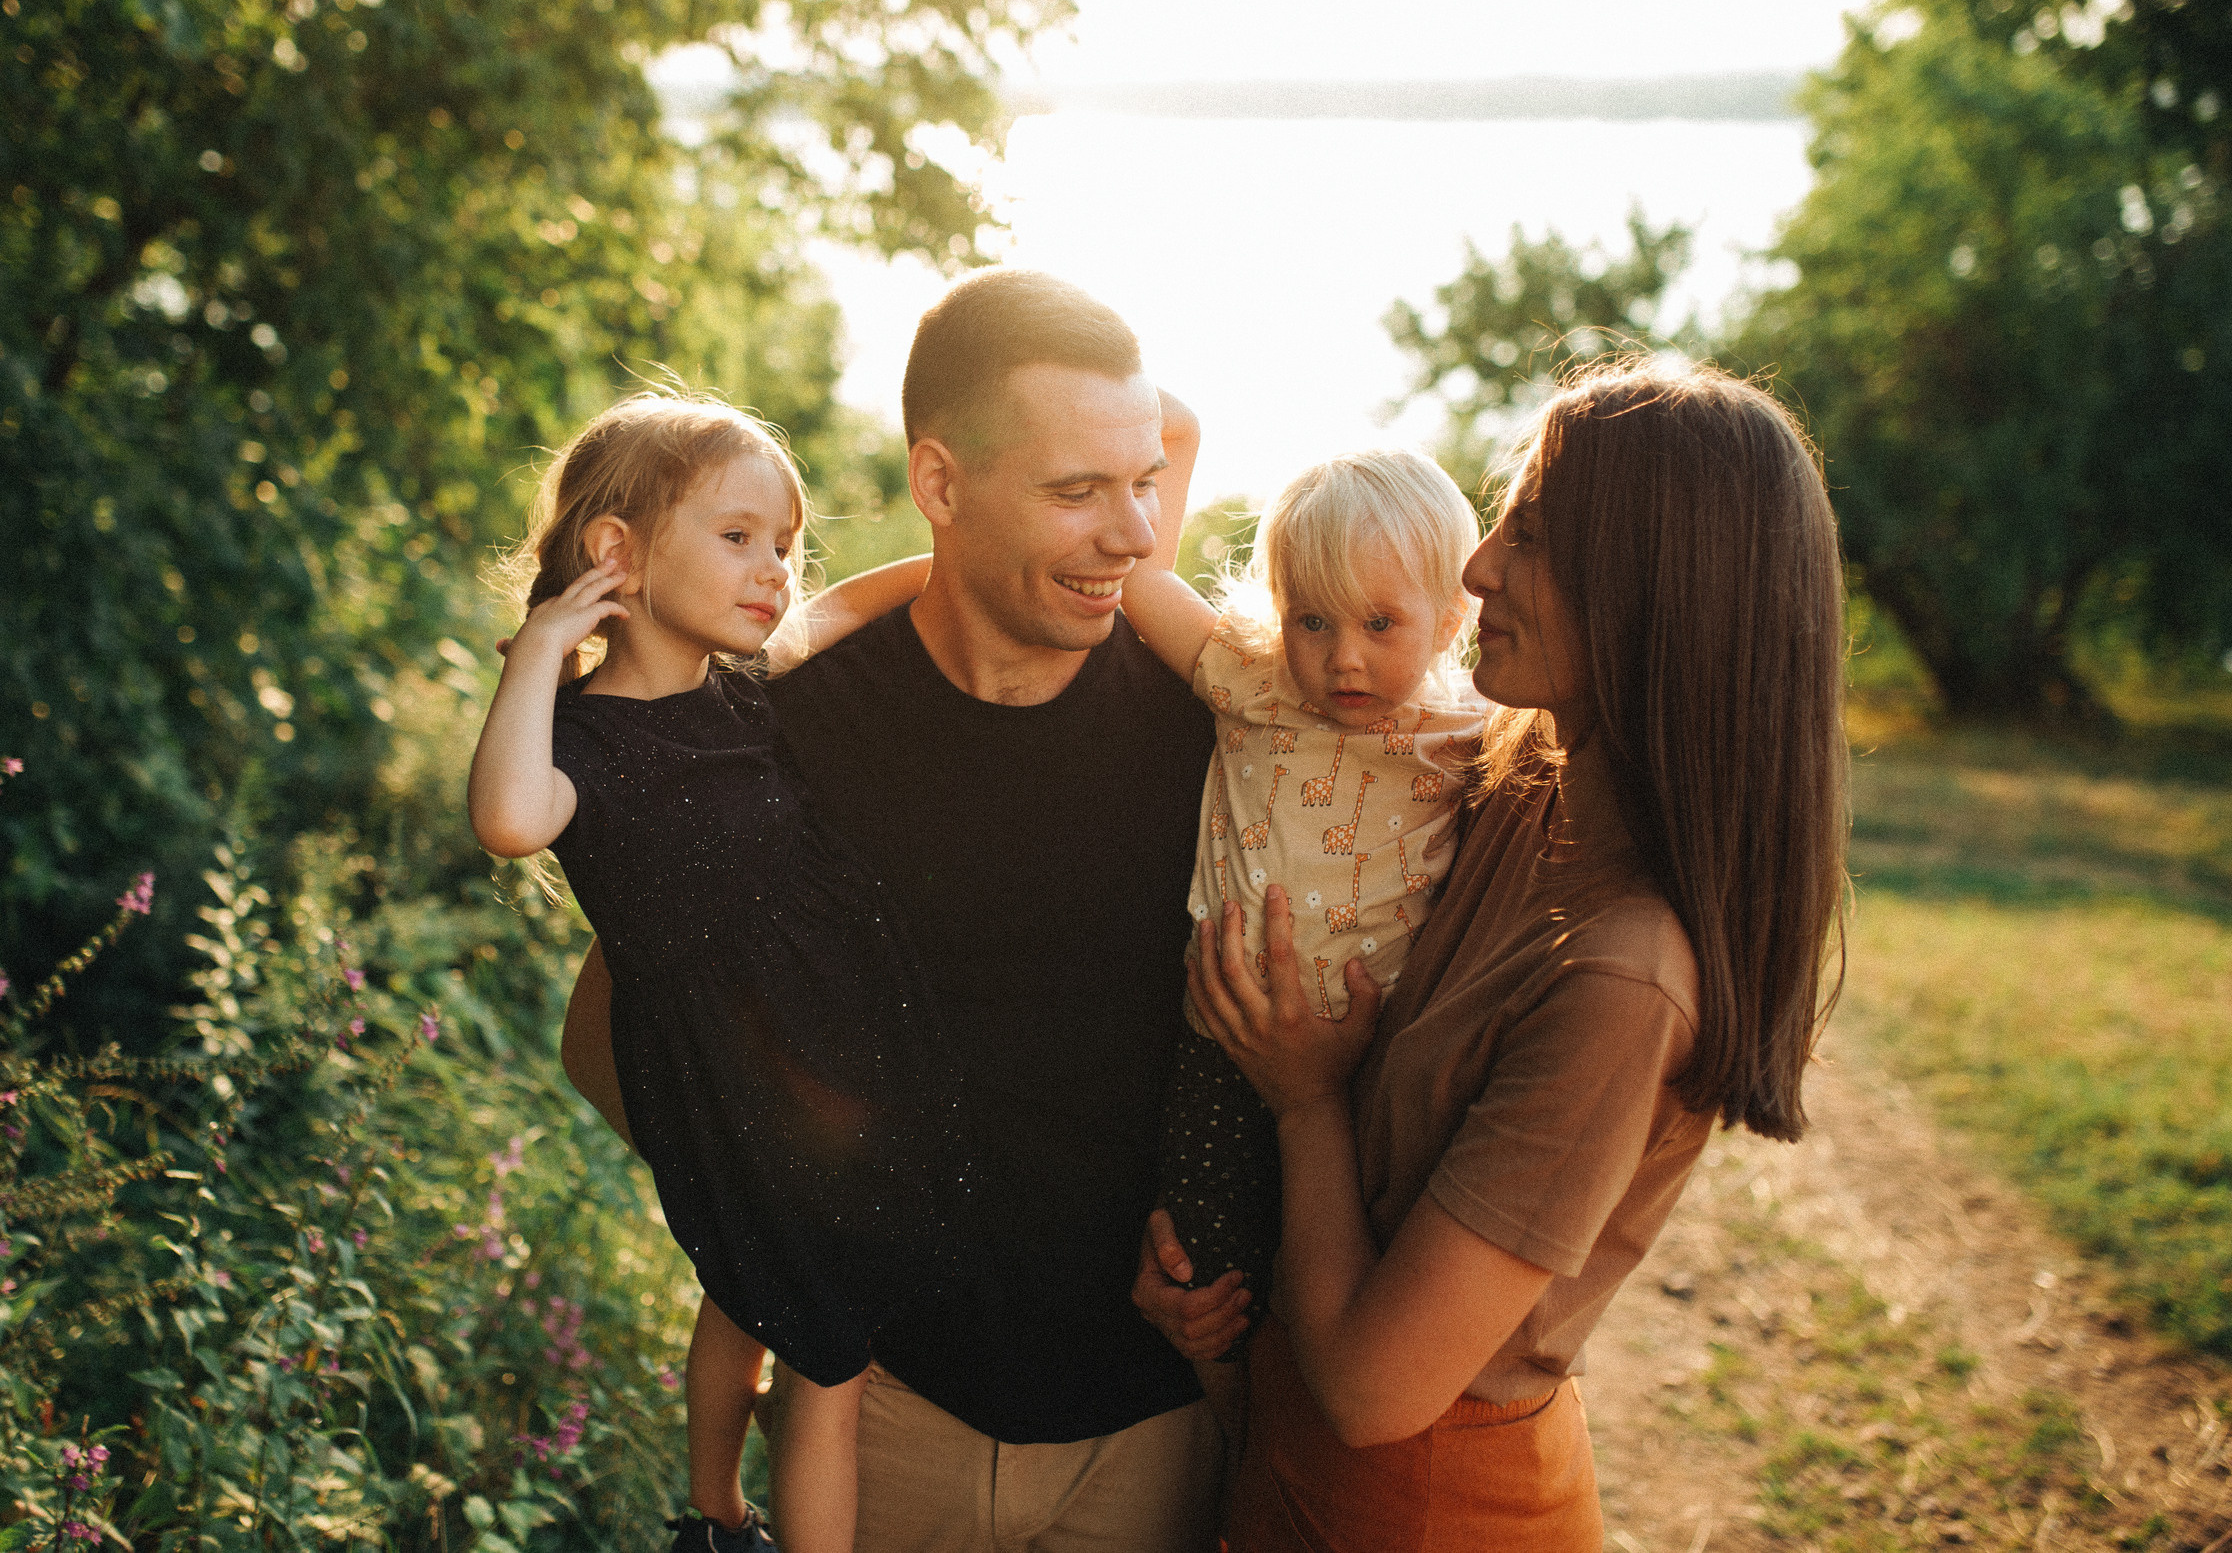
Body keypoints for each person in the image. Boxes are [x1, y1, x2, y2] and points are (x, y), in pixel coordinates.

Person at [565, 268, 1226, 1552]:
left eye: (1140, 482)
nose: (1135, 535)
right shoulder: (787, 731)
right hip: (881, 1425)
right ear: (938, 483)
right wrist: (784, 1222)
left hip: (1156, 1424)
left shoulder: (1211, 721)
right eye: (1075, 491)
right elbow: (614, 1031)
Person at [1136, 363, 1849, 1551]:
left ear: (1649, 591)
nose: (1476, 570)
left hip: (1419, 1507)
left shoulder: (1623, 975)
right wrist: (1217, 1285)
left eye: (1529, 533)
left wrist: (1303, 1102)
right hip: (1289, 1454)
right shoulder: (1518, 787)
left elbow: (1376, 1390)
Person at [467, 395, 984, 1553]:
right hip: (728, 1079)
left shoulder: (747, 687)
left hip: (839, 1049)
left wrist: (973, 553)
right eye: (739, 537)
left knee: (751, 1285)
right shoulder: (578, 740)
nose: (778, 570)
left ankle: (710, 1515)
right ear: (618, 553)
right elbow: (506, 820)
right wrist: (548, 644)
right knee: (825, 1354)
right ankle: (741, 1522)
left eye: (786, 545)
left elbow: (861, 599)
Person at [1113, 447, 1492, 1435]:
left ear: (1450, 620)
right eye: (1310, 621)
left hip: (1369, 1065)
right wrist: (1173, 447)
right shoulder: (1257, 681)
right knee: (1205, 1274)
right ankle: (1240, 1461)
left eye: (1380, 623)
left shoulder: (1469, 730)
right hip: (1219, 1043)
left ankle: (1303, 1459)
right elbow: (1143, 582)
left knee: (1344, 1275)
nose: (1343, 658)